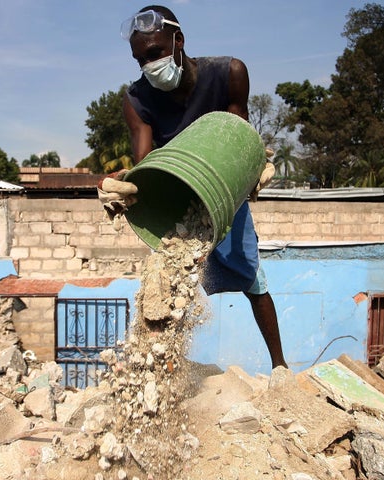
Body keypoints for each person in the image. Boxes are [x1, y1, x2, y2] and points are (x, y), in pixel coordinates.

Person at [99, 5, 287, 369]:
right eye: (140, 60)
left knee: (252, 277)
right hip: (174, 194)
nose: (149, 66)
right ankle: (163, 369)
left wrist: (254, 168)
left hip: (222, 189)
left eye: (154, 54)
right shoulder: (137, 99)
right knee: (171, 283)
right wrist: (123, 185)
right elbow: (144, 161)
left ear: (178, 40)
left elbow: (240, 135)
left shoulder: (228, 73)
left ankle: (280, 368)